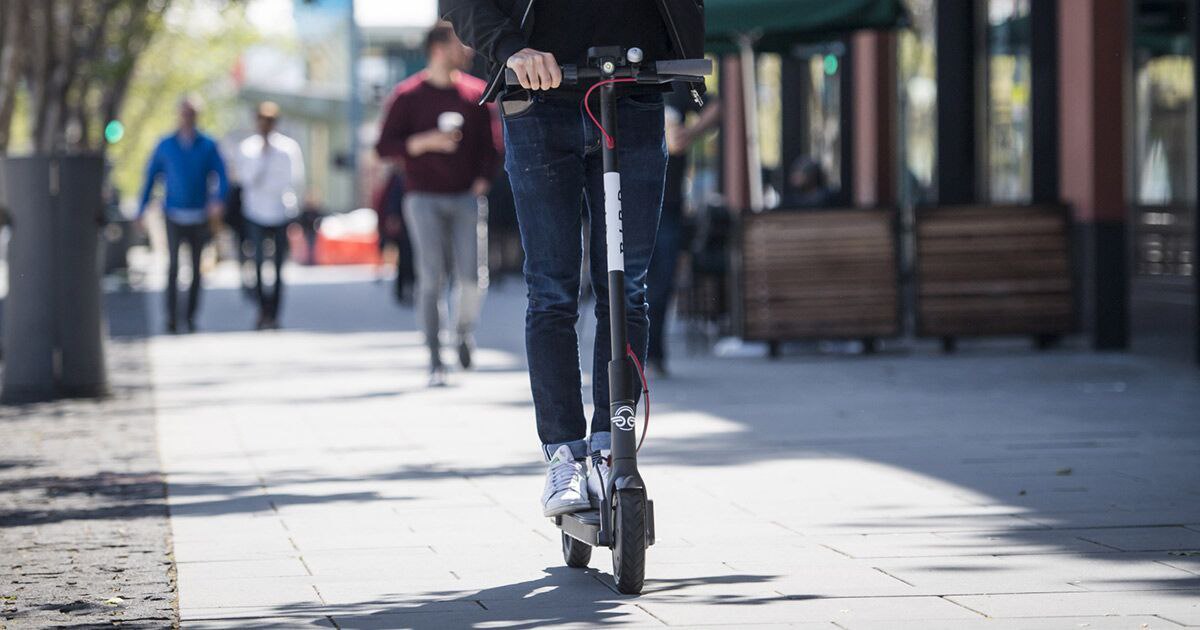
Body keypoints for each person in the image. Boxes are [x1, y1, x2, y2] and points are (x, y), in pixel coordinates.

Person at [440, 0, 705, 517]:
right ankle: (564, 453)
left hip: (635, 95)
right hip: (538, 104)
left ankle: (612, 443)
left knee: (626, 285)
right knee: (553, 292)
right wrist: (512, 49)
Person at [376, 23, 498, 387]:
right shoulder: (407, 95)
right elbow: (384, 148)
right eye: (462, 43)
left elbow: (491, 150)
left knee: (472, 277)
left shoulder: (475, 94)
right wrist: (423, 142)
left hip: (464, 197)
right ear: (439, 48)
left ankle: (463, 332)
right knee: (432, 278)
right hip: (422, 197)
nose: (470, 50)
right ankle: (434, 356)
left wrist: (482, 180)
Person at [138, 96, 228, 334]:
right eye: (185, 113)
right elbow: (150, 178)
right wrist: (142, 208)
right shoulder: (166, 145)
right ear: (179, 115)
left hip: (199, 215)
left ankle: (190, 317)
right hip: (173, 214)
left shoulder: (208, 144)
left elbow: (222, 175)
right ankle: (171, 318)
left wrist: (217, 200)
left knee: (197, 268)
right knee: (173, 266)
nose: (188, 118)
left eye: (192, 113)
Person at [646, 87, 720, 378]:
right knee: (625, 280)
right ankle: (625, 355)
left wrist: (690, 132)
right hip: (623, 198)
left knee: (661, 280)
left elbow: (713, 105)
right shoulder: (619, 75)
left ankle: (653, 354)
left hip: (669, 202)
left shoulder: (680, 82)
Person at [236, 102, 305, 330]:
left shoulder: (287, 148)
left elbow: (290, 180)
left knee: (277, 267)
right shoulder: (249, 148)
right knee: (256, 265)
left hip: (279, 212)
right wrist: (263, 158)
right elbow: (248, 180)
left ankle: (274, 314)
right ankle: (260, 310)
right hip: (255, 212)